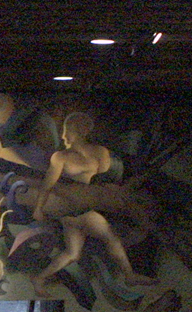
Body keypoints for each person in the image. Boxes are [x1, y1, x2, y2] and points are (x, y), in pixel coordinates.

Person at [30, 111, 158, 296]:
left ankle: (39, 278)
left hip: (88, 204)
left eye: (68, 131)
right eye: (63, 132)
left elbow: (108, 177)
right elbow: (47, 184)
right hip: (71, 205)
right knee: (109, 236)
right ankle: (129, 276)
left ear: (82, 132)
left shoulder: (101, 152)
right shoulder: (60, 157)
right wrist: (38, 209)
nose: (64, 136)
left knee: (73, 253)